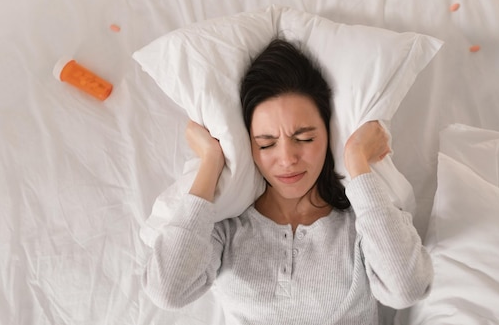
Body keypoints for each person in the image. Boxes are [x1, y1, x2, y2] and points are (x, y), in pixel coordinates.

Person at [142, 38, 433, 324]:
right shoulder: (227, 228)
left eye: (304, 138)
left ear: (329, 134)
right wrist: (211, 160)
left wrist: (356, 157)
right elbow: (167, 291)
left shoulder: (362, 221)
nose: (287, 158)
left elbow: (407, 288)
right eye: (266, 144)